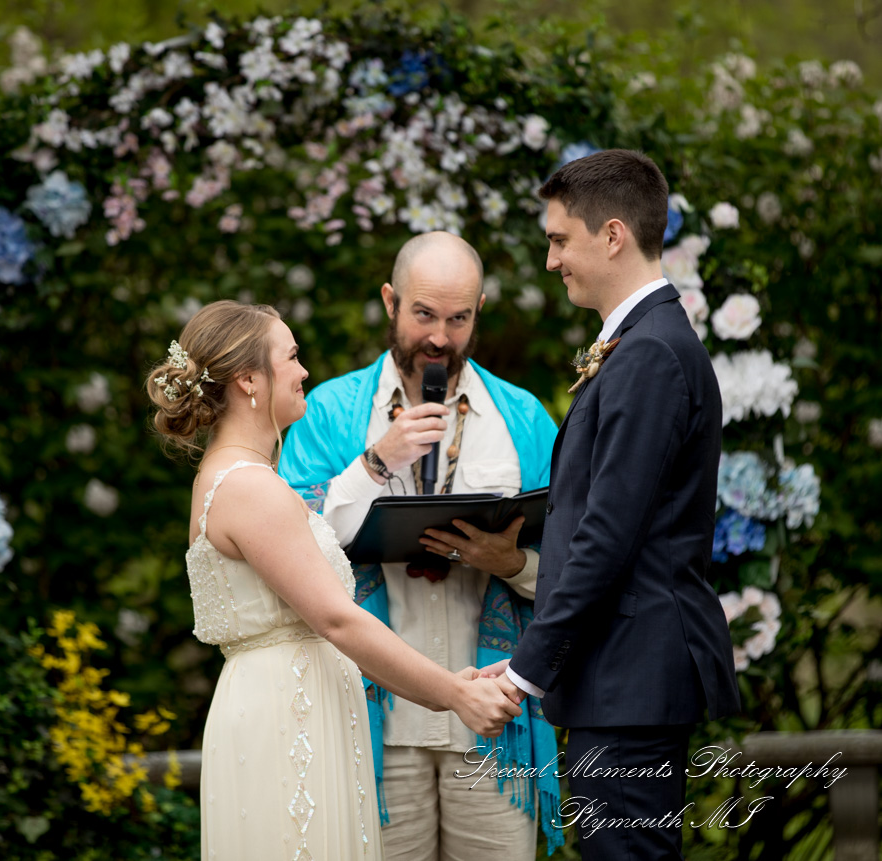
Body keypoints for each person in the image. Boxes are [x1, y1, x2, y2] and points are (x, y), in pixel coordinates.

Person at [145, 300, 522, 861]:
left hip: (286, 706)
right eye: (291, 357)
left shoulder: (232, 477)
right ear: (249, 379)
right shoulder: (251, 488)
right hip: (286, 720)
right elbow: (336, 619)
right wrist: (454, 695)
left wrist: (449, 680)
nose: (303, 372)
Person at [279, 232, 565, 860]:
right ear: (390, 301)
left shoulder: (523, 419)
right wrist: (376, 461)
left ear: (479, 310)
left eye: (458, 319)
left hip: (495, 718)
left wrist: (512, 564)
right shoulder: (327, 412)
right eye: (424, 315)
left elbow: (577, 571)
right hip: (372, 720)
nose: (440, 337)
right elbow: (287, 548)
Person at [493, 149, 741, 859]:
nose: (551, 260)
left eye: (558, 239)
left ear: (611, 235)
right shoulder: (640, 344)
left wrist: (525, 668)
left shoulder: (651, 355)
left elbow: (608, 534)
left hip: (631, 674)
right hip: (619, 672)